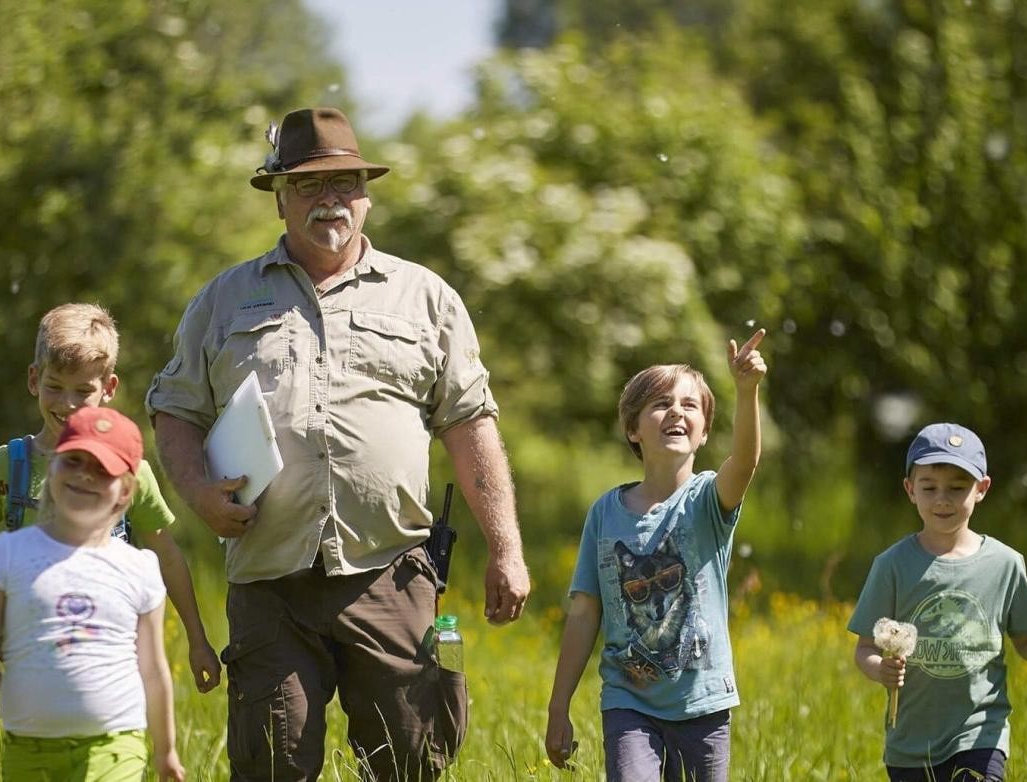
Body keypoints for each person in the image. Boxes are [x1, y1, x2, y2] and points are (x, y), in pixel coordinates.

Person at [145, 107, 530, 781]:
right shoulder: (223, 299)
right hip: (269, 580)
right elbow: (175, 410)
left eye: (346, 183)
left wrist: (506, 549)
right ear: (279, 198)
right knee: (270, 762)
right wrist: (200, 494)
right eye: (308, 186)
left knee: (410, 763)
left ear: (367, 195)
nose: (331, 200)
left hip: (390, 573)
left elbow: (471, 424)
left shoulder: (425, 297)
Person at [0, 303, 220, 694]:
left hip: (113, 670)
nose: (67, 404)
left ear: (109, 388)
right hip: (29, 669)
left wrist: (197, 639)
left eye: (83, 390)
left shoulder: (129, 471)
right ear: (34, 379)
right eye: (55, 386)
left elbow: (166, 556)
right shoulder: (1, 470)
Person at [545, 331, 768, 782]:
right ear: (633, 428)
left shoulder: (707, 500)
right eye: (661, 403)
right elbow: (585, 612)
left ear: (704, 431)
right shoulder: (605, 514)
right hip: (629, 701)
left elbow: (744, 463)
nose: (677, 412)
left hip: (702, 702)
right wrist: (558, 705)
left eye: (690, 405)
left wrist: (747, 392)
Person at [0, 406, 185, 781]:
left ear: (126, 490)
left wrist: (166, 752)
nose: (85, 474)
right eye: (73, 461)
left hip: (115, 747)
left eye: (102, 469)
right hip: (28, 750)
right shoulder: (8, 553)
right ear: (51, 468)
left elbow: (153, 670)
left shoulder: (140, 568)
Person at [848, 422, 1027, 782]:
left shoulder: (1004, 564)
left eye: (957, 488)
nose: (943, 499)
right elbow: (864, 648)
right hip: (910, 743)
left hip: (980, 734)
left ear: (981, 488)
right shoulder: (892, 565)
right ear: (910, 489)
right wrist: (880, 669)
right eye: (930, 487)